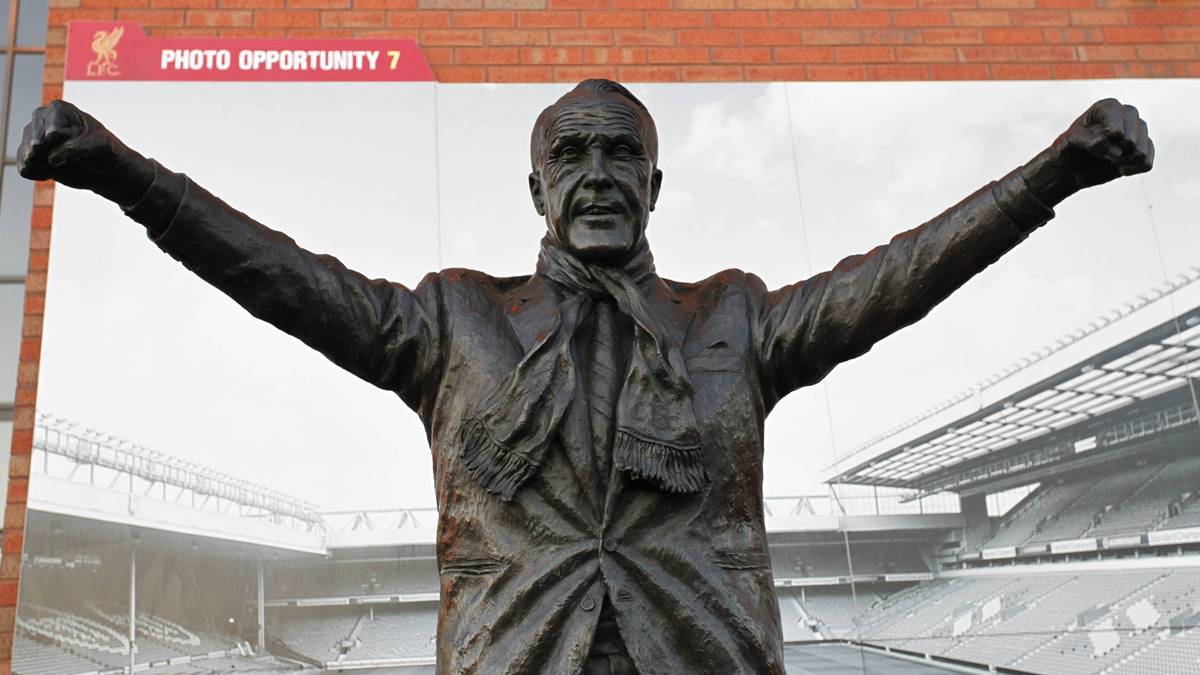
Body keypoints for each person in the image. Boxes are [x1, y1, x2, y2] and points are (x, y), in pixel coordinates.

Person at [17, 80, 1153, 674]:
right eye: (573, 154)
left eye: (623, 156)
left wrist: (1051, 173)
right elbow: (278, 273)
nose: (598, 175)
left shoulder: (735, 318)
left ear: (656, 187)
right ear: (536, 190)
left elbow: (895, 274)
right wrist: (123, 173)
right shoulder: (455, 318)